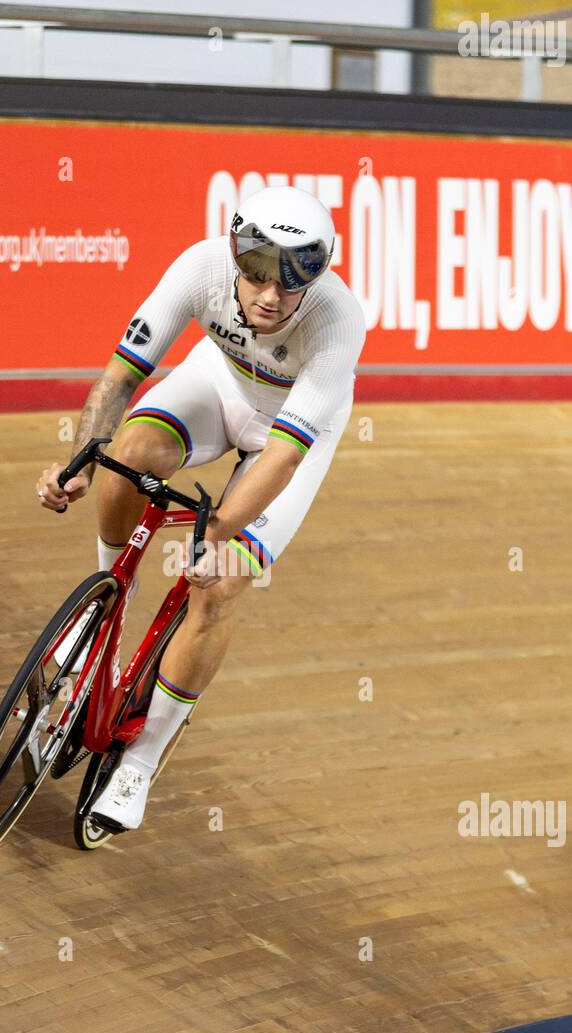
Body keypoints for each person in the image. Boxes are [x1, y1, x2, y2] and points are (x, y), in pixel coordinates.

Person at [37, 185, 366, 830]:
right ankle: (109, 597)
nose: (271, 296)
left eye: (293, 280)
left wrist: (215, 535)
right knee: (129, 452)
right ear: (237, 257)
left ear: (319, 272)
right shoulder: (200, 267)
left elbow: (281, 457)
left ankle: (140, 764)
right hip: (217, 382)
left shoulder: (338, 321)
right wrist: (79, 461)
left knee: (220, 585)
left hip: (291, 436)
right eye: (260, 275)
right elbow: (123, 375)